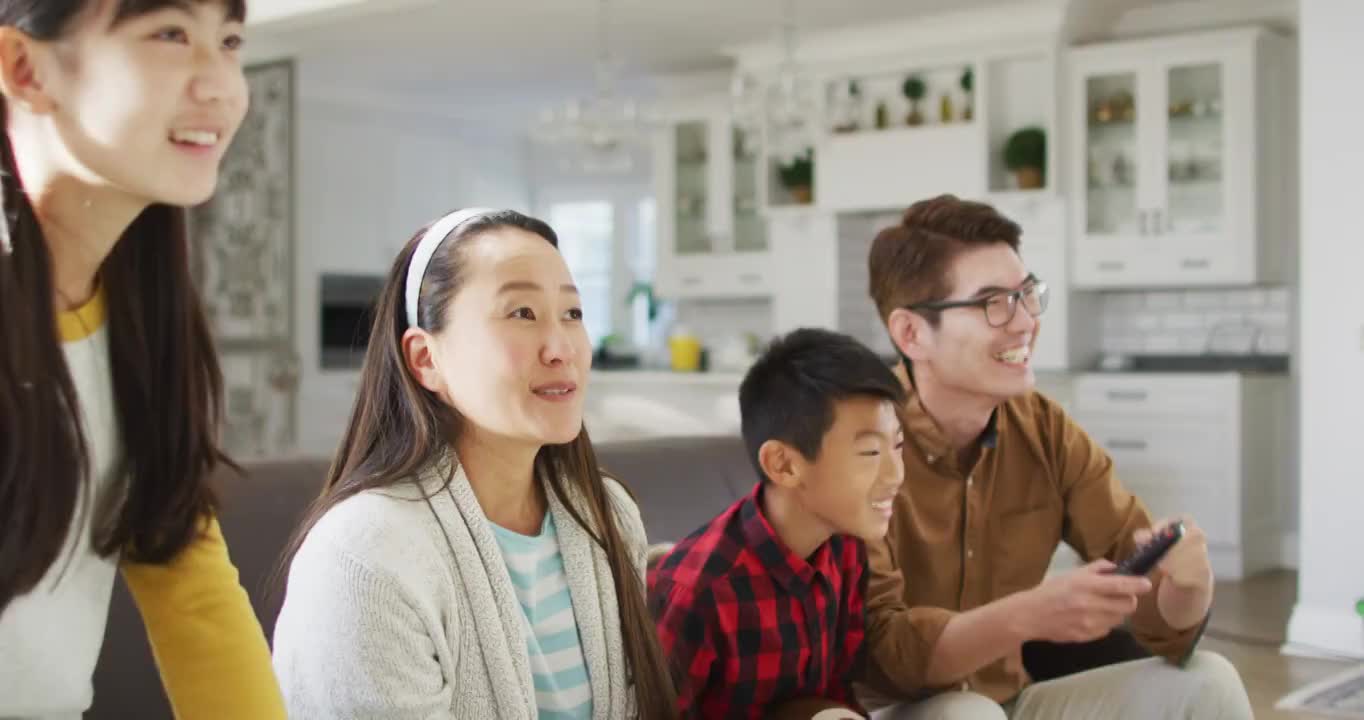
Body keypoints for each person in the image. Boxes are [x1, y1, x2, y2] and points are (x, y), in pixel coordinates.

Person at [271, 208, 677, 719]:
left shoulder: (607, 515)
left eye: (572, 313)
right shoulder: (365, 557)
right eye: (522, 313)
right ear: (426, 359)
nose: (561, 348)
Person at [858, 194, 1252, 718]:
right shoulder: (859, 443)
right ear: (911, 333)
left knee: (1209, 681)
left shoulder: (1043, 430)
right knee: (964, 714)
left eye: (1026, 295)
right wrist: (1023, 616)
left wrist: (1189, 587)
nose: (1024, 323)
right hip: (892, 710)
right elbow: (886, 655)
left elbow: (1152, 602)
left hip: (1010, 701)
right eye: (992, 303)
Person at [0, 0, 286, 717]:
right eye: (170, 34)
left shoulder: (145, 328)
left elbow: (192, 594)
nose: (221, 84)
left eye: (229, 42)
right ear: (24, 68)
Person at [649, 327, 906, 719]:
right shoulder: (698, 591)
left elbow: (837, 696)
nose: (895, 475)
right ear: (783, 465)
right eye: (870, 451)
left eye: (898, 445)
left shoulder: (846, 550)